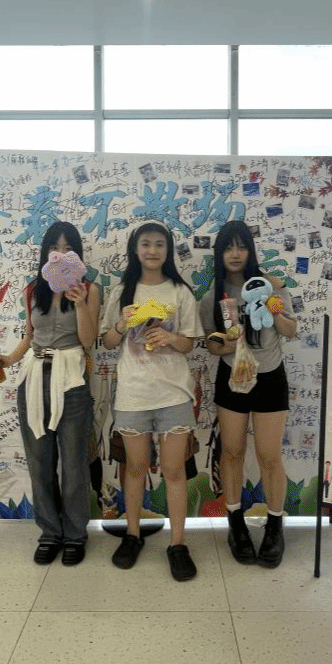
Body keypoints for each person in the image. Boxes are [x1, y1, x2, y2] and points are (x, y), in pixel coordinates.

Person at [101, 222, 203, 581]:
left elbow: (189, 343)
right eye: (145, 244)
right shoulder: (122, 291)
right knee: (134, 469)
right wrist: (120, 324)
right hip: (133, 394)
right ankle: (132, 535)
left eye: (160, 244)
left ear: (168, 250)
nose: (152, 250)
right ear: (135, 249)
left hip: (174, 393)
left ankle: (178, 544)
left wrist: (170, 337)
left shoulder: (179, 291)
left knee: (174, 471)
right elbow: (107, 342)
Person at [0, 222, 99, 566]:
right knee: (40, 462)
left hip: (71, 381)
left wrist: (81, 304)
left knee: (73, 464)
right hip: (33, 379)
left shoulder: (90, 289)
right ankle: (49, 532)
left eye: (68, 248)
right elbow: (29, 337)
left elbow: (88, 341)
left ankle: (75, 534)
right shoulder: (33, 290)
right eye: (54, 248)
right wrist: (7, 360)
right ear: (45, 253)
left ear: (77, 255)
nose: (60, 254)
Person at [199, 219, 296, 568]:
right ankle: (235, 524)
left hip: (270, 378)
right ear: (219, 254)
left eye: (241, 246)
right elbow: (211, 345)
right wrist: (226, 344)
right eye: (228, 247)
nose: (235, 253)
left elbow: (290, 330)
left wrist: (273, 306)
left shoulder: (269, 286)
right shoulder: (213, 296)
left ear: (250, 251)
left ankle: (275, 526)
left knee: (269, 456)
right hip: (232, 378)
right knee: (232, 452)